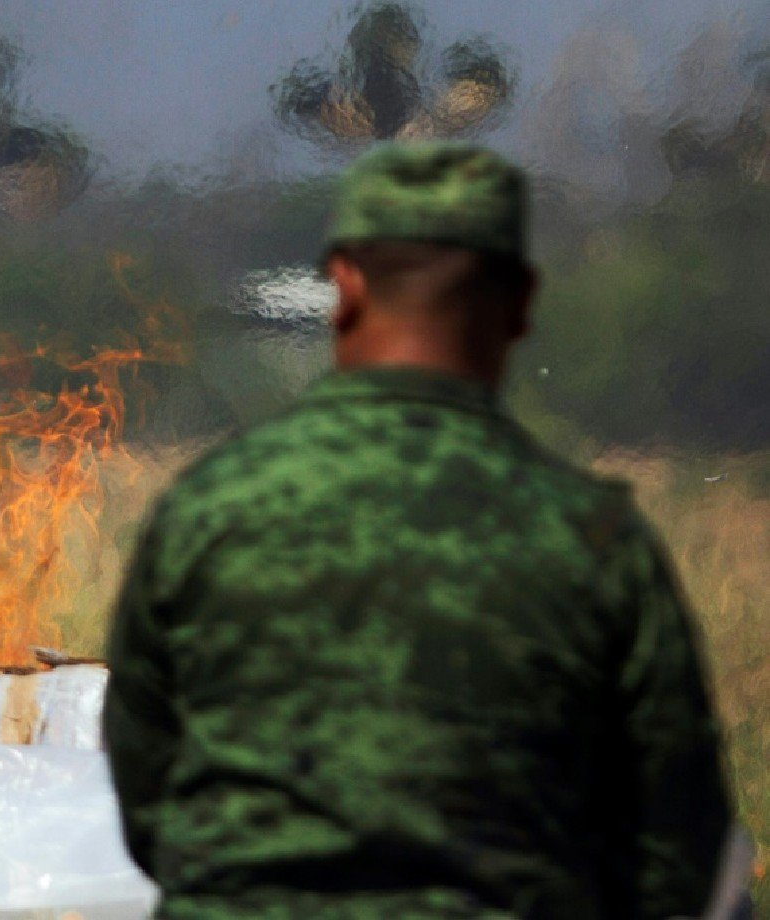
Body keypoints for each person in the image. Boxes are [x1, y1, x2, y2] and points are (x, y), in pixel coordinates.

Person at [102, 142, 735, 919]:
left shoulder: (208, 508)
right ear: (522, 302)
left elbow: (147, 791)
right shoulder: (596, 537)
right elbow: (676, 840)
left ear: (344, 285)